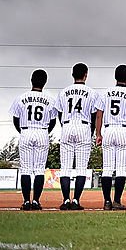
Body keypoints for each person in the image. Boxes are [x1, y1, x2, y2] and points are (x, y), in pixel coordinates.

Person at [9, 69, 57, 210]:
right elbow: (53, 121)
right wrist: (45, 132)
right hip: (42, 132)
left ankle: (26, 201)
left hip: (26, 131)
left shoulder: (20, 97)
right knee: (39, 170)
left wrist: (22, 131)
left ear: (31, 80)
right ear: (45, 82)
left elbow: (15, 119)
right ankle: (35, 201)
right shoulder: (50, 100)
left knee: (26, 169)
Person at [94, 64, 126, 211]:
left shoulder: (105, 93)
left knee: (107, 169)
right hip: (124, 130)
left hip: (109, 129)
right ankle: (117, 201)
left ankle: (106, 201)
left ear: (115, 77)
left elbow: (99, 114)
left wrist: (98, 134)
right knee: (120, 169)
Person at [54, 62, 96, 210]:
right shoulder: (91, 92)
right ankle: (76, 200)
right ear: (86, 75)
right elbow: (94, 115)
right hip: (84, 126)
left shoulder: (63, 92)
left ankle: (66, 200)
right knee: (81, 169)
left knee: (65, 168)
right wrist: (90, 133)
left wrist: (65, 125)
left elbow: (59, 113)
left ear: (72, 75)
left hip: (67, 125)